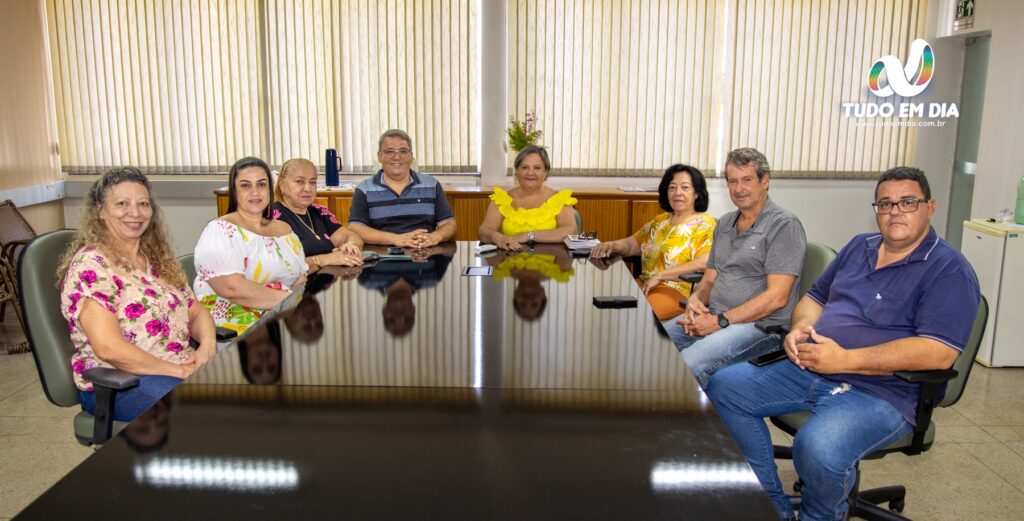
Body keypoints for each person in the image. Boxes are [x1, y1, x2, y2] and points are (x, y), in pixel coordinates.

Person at [704, 167, 981, 521]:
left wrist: (844, 360)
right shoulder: (859, 246)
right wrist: (799, 328)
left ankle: (821, 515)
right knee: (724, 387)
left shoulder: (948, 269)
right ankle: (771, 507)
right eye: (885, 203)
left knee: (817, 446)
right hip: (813, 364)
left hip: (885, 391)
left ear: (930, 207)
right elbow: (814, 299)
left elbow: (938, 353)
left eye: (907, 202)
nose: (895, 211)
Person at [57, 167, 218, 422]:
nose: (135, 212)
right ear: (100, 210)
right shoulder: (92, 265)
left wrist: (207, 348)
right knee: (207, 417)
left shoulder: (156, 260)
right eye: (122, 203)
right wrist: (178, 371)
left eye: (143, 204)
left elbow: (196, 311)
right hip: (121, 382)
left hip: (178, 367)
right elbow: (109, 348)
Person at [663, 148, 806, 387]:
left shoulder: (784, 225)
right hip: (716, 317)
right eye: (732, 181)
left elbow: (777, 298)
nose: (739, 189)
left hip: (760, 328)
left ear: (765, 180)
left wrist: (720, 321)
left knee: (686, 366)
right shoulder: (726, 223)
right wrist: (696, 302)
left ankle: (691, 423)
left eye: (747, 180)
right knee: (653, 345)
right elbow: (708, 281)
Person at [194, 156, 307, 333]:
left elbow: (300, 278)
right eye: (245, 185)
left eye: (261, 184)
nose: (255, 192)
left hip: (280, 314)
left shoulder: (284, 230)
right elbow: (232, 289)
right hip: (235, 323)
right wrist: (292, 301)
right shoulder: (219, 231)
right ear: (234, 190)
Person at [590, 164, 715, 320]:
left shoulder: (705, 225)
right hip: (644, 284)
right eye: (672, 188)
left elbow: (704, 263)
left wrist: (662, 275)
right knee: (601, 304)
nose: (678, 193)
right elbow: (630, 245)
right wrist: (611, 245)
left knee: (634, 318)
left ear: (696, 193)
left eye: (685, 188)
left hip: (675, 290)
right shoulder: (660, 222)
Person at [348, 129, 457, 247]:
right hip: (382, 259)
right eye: (389, 151)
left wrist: (435, 237)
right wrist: (395, 239)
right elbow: (356, 228)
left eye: (403, 151)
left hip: (425, 255)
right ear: (380, 156)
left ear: (411, 156)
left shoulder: (431, 185)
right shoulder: (364, 189)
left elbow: (448, 223)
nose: (396, 157)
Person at [478, 146, 579, 251]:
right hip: (509, 262)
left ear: (546, 172)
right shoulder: (502, 199)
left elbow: (571, 231)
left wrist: (529, 235)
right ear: (517, 171)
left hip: (550, 264)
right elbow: (484, 232)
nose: (530, 173)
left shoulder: (559, 199)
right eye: (525, 167)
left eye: (537, 168)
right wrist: (497, 237)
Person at [272, 157, 364, 271]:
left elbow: (351, 236)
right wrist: (323, 259)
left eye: (312, 182)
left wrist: (351, 246)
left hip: (328, 283)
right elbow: (279, 267)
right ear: (282, 184)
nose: (307, 188)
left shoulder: (319, 211)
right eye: (299, 181)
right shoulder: (273, 217)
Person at [358, 243, 456, 335]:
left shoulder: (368, 280)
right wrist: (431, 248)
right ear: (413, 310)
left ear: (384, 311)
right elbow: (450, 249)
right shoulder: (432, 278)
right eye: (407, 319)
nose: (400, 315)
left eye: (392, 320)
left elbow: (361, 249)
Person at [487, 243, 576, 320]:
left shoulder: (501, 270)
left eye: (522, 304)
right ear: (543, 294)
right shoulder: (560, 271)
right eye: (534, 304)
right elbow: (569, 241)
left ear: (515, 295)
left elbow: (488, 244)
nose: (528, 300)